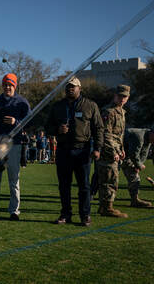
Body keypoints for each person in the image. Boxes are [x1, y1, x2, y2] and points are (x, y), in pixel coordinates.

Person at [46, 77, 103, 226]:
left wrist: (97, 148)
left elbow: (98, 128)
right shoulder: (57, 106)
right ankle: (65, 214)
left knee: (84, 186)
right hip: (63, 150)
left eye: (73, 86)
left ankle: (85, 215)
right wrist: (57, 130)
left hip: (82, 150)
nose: (70, 89)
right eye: (68, 87)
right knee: (64, 185)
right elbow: (47, 127)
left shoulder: (90, 105)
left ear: (80, 88)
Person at [0, 73, 30, 221]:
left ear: (15, 86)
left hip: (14, 145)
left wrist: (16, 122)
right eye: (5, 85)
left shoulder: (22, 102)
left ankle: (14, 211)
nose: (7, 87)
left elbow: (29, 121)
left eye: (10, 85)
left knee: (13, 180)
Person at [96, 85, 130, 218]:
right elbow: (106, 134)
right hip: (107, 151)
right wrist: (113, 151)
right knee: (109, 179)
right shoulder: (109, 112)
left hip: (115, 149)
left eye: (125, 96)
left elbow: (119, 135)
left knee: (111, 178)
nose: (122, 99)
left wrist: (121, 149)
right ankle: (107, 208)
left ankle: (104, 206)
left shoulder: (121, 112)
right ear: (115, 95)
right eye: (120, 96)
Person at [122, 128, 154, 207]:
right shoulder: (139, 136)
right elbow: (133, 154)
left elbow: (144, 153)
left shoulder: (148, 138)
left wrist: (138, 165)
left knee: (134, 175)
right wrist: (138, 165)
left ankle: (135, 199)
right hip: (119, 153)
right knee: (107, 177)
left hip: (126, 154)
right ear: (152, 134)